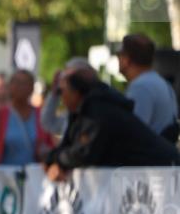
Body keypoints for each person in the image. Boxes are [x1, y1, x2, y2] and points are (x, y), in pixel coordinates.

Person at [44, 69, 180, 181]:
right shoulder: (82, 112)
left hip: (164, 174)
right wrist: (54, 161)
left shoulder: (99, 111)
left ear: (76, 92)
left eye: (62, 91)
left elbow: (84, 153)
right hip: (151, 174)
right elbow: (70, 146)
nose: (61, 97)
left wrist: (58, 161)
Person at [117, 33, 178, 143]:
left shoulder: (141, 87)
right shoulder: (161, 83)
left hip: (149, 159)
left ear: (126, 59)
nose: (118, 59)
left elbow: (132, 136)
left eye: (119, 54)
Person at [0, 69, 55, 165]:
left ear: (32, 88)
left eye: (25, 83)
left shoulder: (41, 115)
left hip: (34, 174)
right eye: (16, 83)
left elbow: (49, 144)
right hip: (5, 174)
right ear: (9, 86)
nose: (20, 87)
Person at [40, 57, 91, 138]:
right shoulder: (71, 113)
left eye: (66, 80)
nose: (62, 87)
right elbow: (48, 123)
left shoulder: (93, 114)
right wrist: (54, 94)